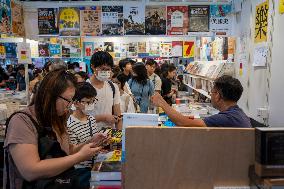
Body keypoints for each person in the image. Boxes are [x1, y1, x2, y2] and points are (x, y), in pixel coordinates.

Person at [4, 69, 107, 189]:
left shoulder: (58, 118)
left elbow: (67, 151)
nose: (70, 106)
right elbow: (31, 170)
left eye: (72, 101)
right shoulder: (22, 121)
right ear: (50, 95)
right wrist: (79, 157)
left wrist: (89, 143)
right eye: (68, 100)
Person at [151, 75, 252, 128]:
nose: (210, 94)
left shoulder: (226, 118)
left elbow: (181, 122)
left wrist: (162, 103)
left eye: (211, 92)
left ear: (217, 96)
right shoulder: (239, 114)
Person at [67, 82, 99, 168]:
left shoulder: (91, 119)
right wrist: (90, 142)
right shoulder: (70, 125)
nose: (91, 105)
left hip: (95, 165)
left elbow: (95, 143)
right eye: (88, 102)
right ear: (76, 103)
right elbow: (73, 152)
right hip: (81, 169)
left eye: (93, 101)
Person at [88, 51, 122, 130]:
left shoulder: (113, 87)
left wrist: (120, 135)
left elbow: (118, 115)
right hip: (88, 136)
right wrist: (103, 117)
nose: (105, 72)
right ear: (93, 66)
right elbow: (78, 118)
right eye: (103, 69)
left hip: (109, 136)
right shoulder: (84, 87)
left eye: (108, 69)